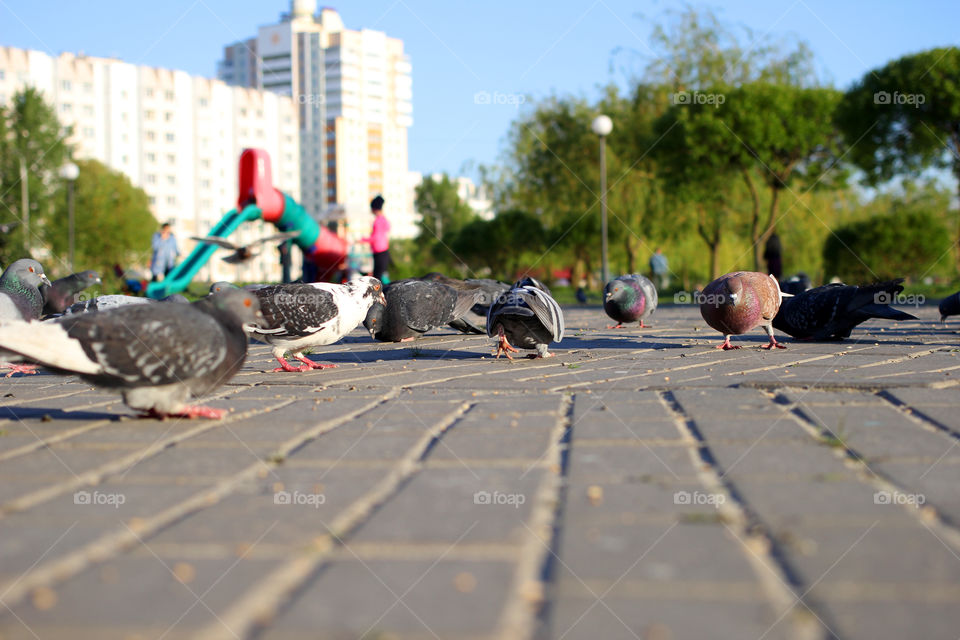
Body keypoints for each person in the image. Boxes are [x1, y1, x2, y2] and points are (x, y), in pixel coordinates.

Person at [360, 194, 391, 283]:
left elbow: (375, 238)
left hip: (379, 253)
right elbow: (388, 228)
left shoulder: (378, 221)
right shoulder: (383, 219)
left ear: (374, 209)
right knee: (379, 277)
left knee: (377, 279)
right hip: (383, 252)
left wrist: (362, 240)